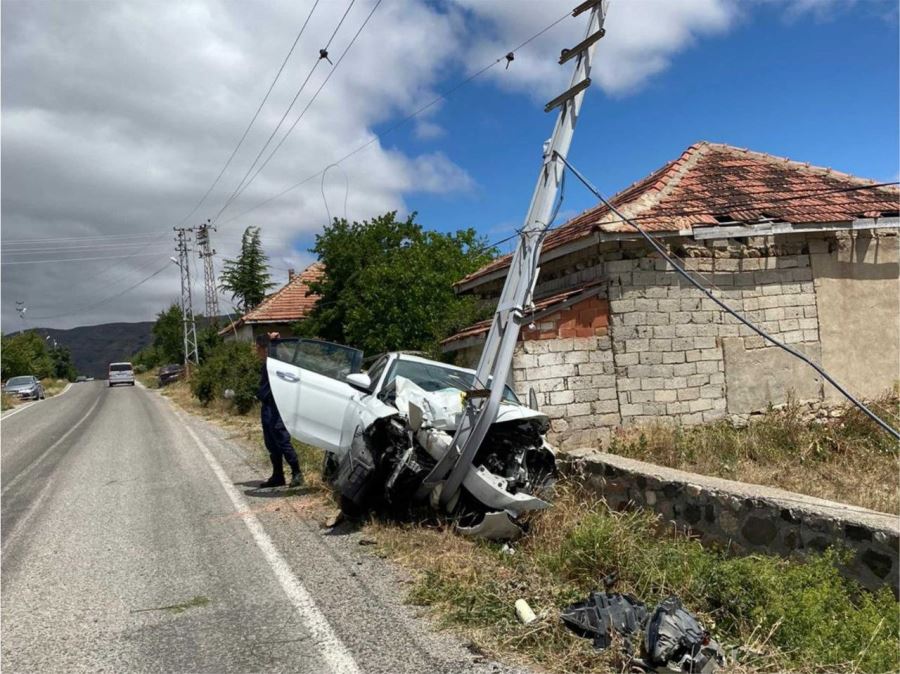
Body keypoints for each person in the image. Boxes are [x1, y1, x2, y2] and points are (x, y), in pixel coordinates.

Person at [256, 332, 303, 488]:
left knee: (282, 439)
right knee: (271, 442)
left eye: (258, 348)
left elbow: (289, 359)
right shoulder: (266, 364)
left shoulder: (276, 362)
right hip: (267, 406)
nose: (257, 352)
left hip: (277, 406)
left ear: (264, 348)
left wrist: (278, 342)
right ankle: (278, 476)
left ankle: (297, 473)